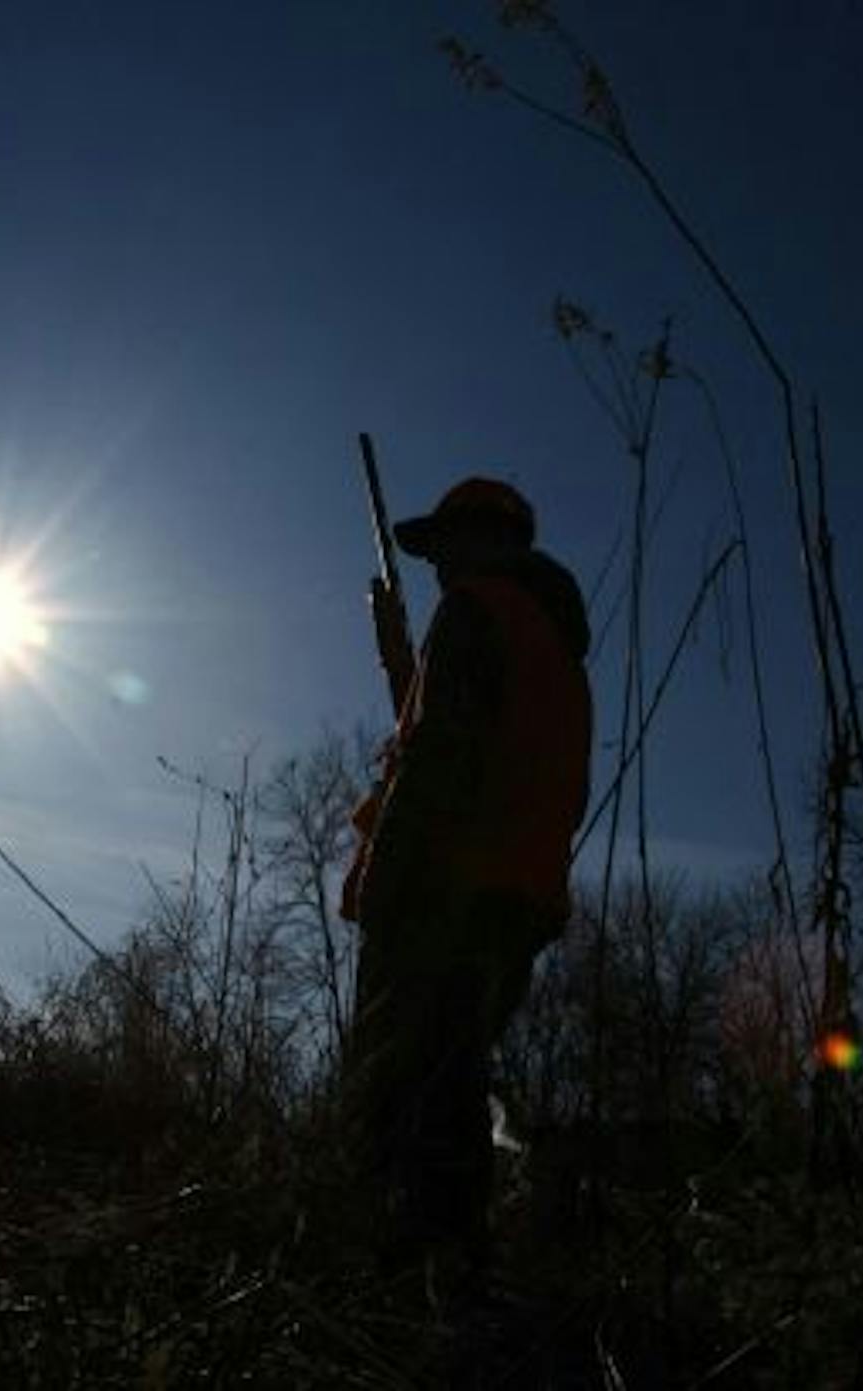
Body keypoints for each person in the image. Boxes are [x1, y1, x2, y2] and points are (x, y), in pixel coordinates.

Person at [340, 476, 592, 1259]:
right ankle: (451, 1278)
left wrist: (384, 878)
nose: (438, 569)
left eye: (446, 547)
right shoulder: (552, 640)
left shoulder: (477, 609)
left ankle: (411, 1289)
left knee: (400, 1098)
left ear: (485, 539)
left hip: (446, 887)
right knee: (451, 1086)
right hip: (520, 898)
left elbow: (443, 757)